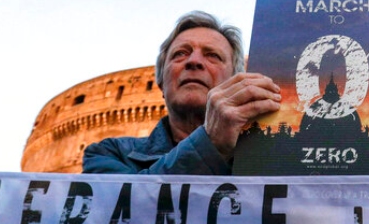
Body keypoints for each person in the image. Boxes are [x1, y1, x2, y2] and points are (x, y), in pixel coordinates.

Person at [82, 11, 281, 175]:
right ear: (159, 82)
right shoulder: (107, 154)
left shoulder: (270, 160)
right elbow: (123, 210)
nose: (193, 61)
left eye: (212, 55)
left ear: (235, 80)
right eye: (180, 54)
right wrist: (210, 143)